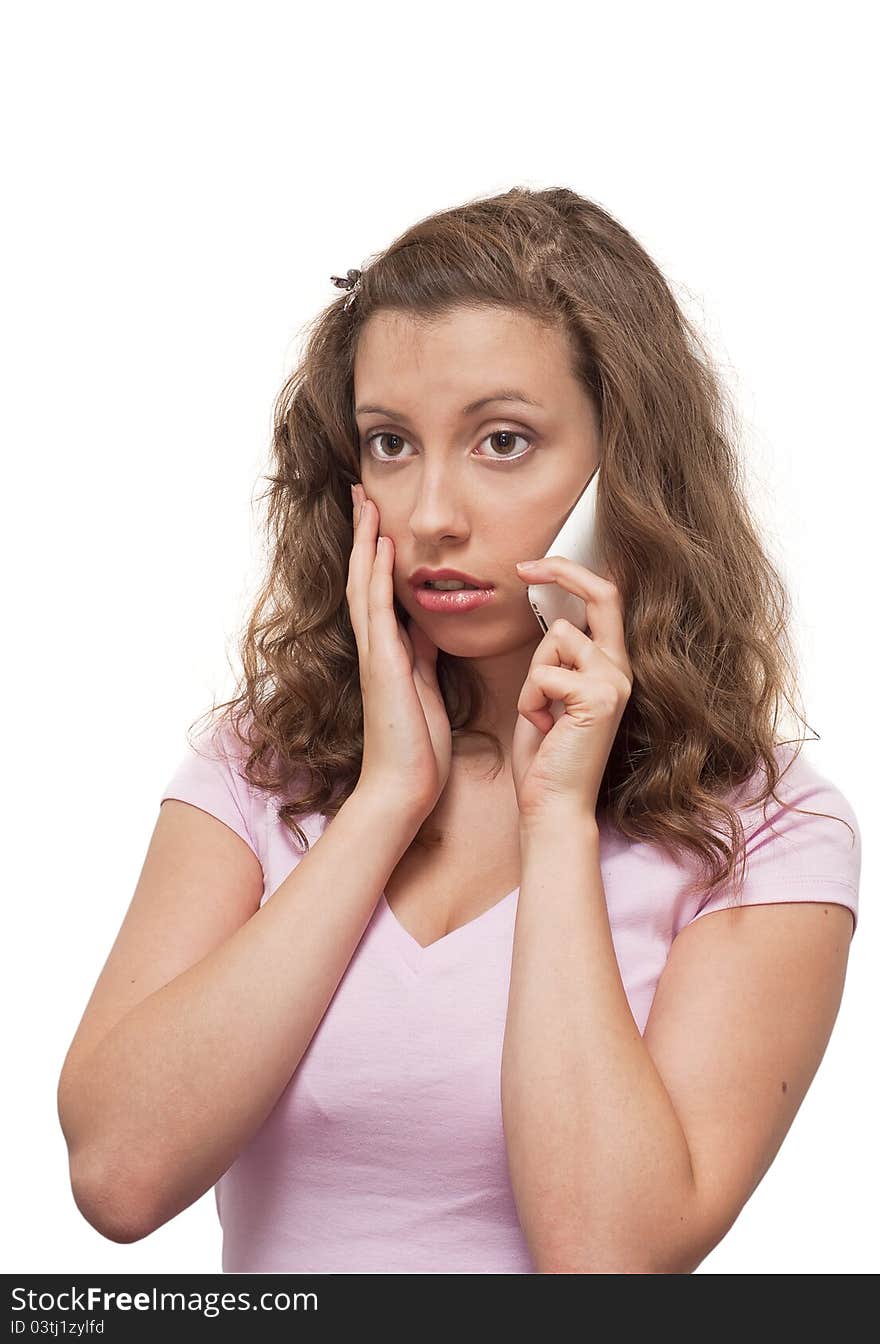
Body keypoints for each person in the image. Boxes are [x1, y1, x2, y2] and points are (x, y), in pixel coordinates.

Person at [56, 186, 861, 1274]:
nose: (432, 511)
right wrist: (385, 799)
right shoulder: (258, 761)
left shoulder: (762, 828)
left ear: (625, 470)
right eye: (391, 443)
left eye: (503, 441)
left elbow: (608, 1259)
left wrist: (558, 821)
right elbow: (117, 1177)